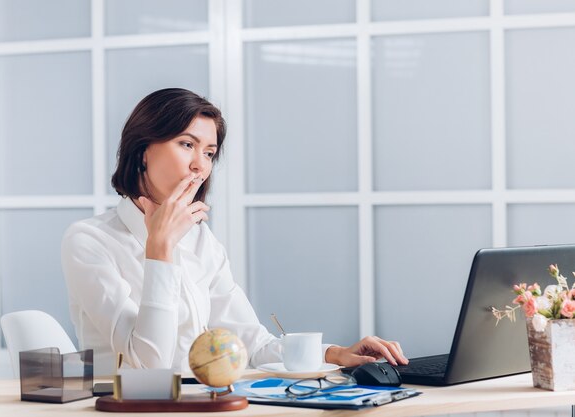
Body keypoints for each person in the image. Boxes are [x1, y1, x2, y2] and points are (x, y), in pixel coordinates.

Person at [61, 88, 408, 376]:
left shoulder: (201, 241)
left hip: (198, 407)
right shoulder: (89, 240)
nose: (200, 165)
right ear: (142, 152)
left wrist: (335, 353)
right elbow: (150, 364)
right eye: (186, 144)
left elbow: (250, 343)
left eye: (209, 152)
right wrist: (160, 250)